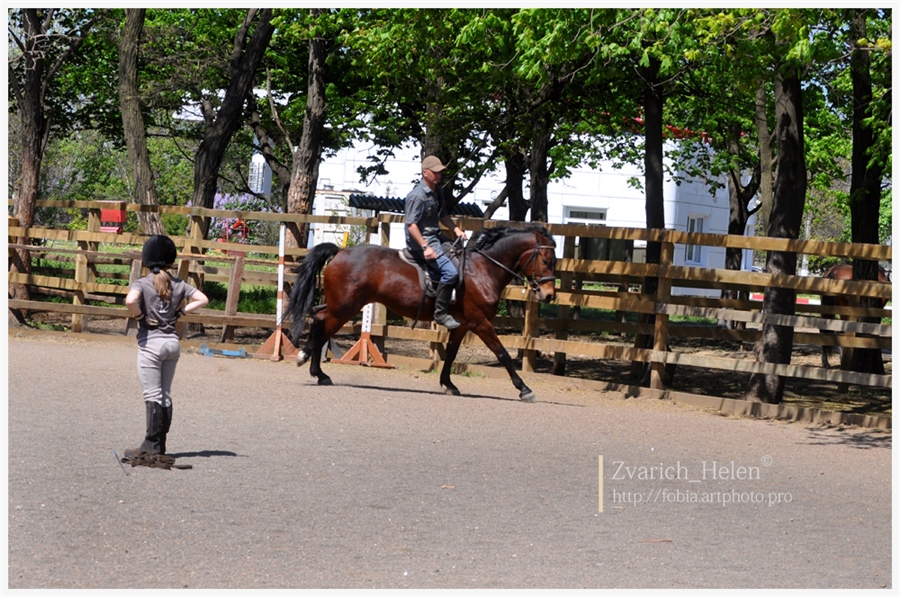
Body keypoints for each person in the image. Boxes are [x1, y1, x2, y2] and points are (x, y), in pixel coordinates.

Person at [123, 235, 208, 459]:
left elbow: (130, 301)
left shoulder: (142, 282)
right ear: (170, 260)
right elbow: (203, 299)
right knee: (165, 394)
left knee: (152, 394)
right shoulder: (179, 284)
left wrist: (141, 317)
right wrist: (180, 312)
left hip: (151, 343)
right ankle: (160, 445)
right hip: (172, 344)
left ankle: (151, 445)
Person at [404, 155, 467, 329]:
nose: (439, 176)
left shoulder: (437, 191)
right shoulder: (417, 196)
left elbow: (443, 215)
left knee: (462, 257)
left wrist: (456, 229)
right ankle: (440, 313)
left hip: (436, 237)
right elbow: (411, 225)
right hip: (421, 242)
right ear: (425, 173)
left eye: (440, 172)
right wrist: (425, 247)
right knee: (450, 273)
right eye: (436, 172)